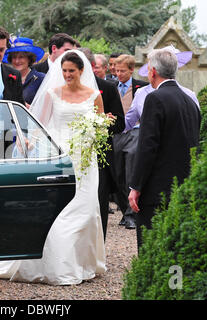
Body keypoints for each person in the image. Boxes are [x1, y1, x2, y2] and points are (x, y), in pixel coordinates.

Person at [0, 50, 106, 285]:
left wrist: (96, 134)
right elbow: (40, 126)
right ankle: (56, 265)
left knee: (85, 209)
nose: (67, 75)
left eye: (71, 71)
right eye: (64, 70)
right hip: (59, 156)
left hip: (85, 158)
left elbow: (102, 125)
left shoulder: (94, 95)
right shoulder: (52, 94)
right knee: (59, 210)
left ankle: (82, 262)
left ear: (81, 71)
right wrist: (28, 140)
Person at [128, 48, 201, 250]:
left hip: (157, 187)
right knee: (176, 246)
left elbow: (147, 146)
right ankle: (174, 280)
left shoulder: (155, 98)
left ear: (152, 72)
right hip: (184, 184)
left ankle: (156, 281)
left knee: (152, 245)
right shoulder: (190, 101)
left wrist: (136, 187)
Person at [80, 48, 125, 241]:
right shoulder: (62, 89)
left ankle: (98, 245)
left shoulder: (106, 88)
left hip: (98, 155)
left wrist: (101, 123)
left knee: (98, 202)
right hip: (71, 152)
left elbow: (120, 123)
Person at [112, 54, 148, 229]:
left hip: (135, 132)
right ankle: (124, 209)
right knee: (117, 173)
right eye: (116, 70)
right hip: (116, 133)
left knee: (130, 171)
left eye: (122, 71)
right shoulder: (111, 86)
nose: (118, 74)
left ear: (131, 70)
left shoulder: (142, 87)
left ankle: (131, 215)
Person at [3, 37, 45, 107]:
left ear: (29, 58)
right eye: (14, 57)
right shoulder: (6, 77)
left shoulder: (41, 79)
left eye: (21, 57)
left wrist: (27, 107)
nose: (17, 61)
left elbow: (45, 107)